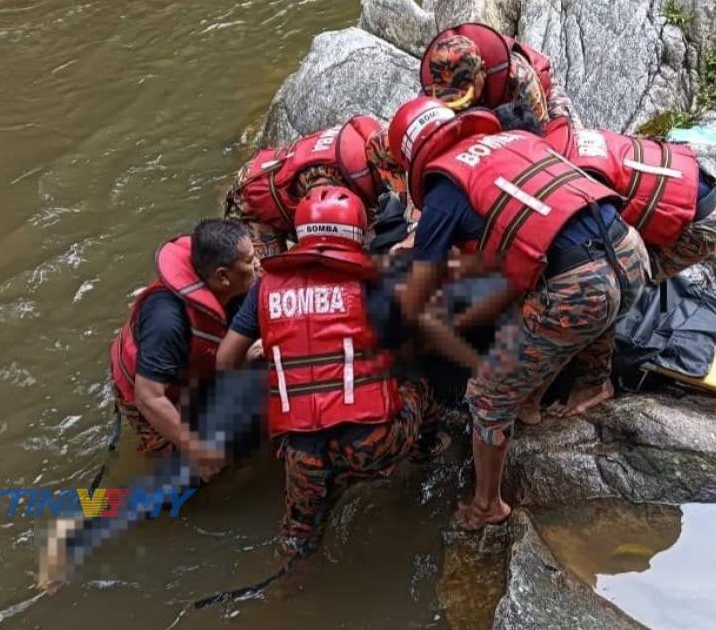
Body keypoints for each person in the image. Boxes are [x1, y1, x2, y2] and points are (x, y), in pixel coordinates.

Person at [386, 97, 647, 530]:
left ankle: (487, 505)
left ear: (412, 156)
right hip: (629, 252)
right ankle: (540, 399)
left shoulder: (443, 190)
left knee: (486, 397)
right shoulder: (511, 140)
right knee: (561, 319)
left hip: (577, 287)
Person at [215, 186, 473, 557]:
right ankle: (426, 448)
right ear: (358, 233)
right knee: (419, 383)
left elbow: (225, 361)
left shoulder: (265, 288)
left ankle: (290, 584)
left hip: (301, 451)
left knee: (298, 538)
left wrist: (279, 355)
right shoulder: (380, 283)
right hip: (371, 445)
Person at [109, 218, 256, 479]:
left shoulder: (234, 286)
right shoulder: (167, 322)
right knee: (194, 473)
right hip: (149, 389)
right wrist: (198, 449)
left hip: (191, 364)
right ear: (223, 276)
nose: (257, 265)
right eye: (250, 261)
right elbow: (149, 397)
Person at [542, 118, 716, 281]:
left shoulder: (579, 175)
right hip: (696, 182)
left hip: (701, 226)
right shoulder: (573, 135)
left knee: (633, 278)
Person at [223, 116, 409, 260]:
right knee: (262, 280)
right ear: (377, 167)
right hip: (253, 201)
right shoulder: (327, 182)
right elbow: (323, 241)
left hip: (273, 171)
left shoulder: (362, 143)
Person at [420, 24, 574, 131]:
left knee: (563, 135)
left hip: (542, 98)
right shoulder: (438, 85)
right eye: (450, 94)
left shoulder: (519, 77)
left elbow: (540, 127)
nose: (460, 104)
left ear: (483, 70)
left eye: (465, 91)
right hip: (490, 113)